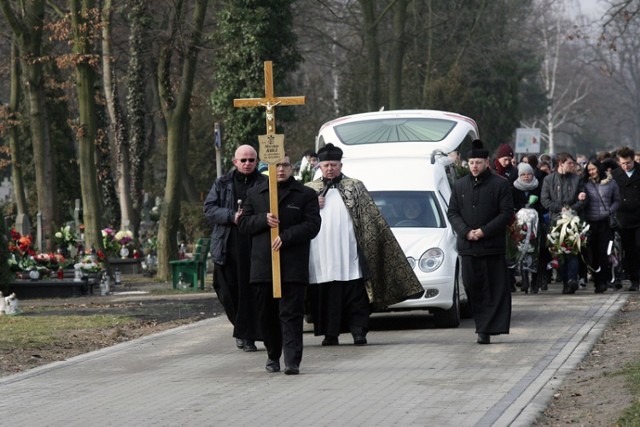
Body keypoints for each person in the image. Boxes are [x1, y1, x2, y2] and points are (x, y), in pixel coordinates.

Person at [306, 143, 422, 346]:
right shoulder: (309, 190)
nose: (330, 169)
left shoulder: (355, 186)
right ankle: (330, 334)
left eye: (334, 164)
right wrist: (312, 205)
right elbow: (298, 217)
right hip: (321, 254)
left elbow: (371, 218)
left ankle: (358, 332)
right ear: (320, 167)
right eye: (326, 165)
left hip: (350, 252)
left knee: (355, 294)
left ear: (340, 165)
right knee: (326, 297)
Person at [237, 155, 321, 375]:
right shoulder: (255, 194)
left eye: (284, 165)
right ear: (267, 168)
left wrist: (287, 236)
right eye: (275, 166)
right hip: (264, 267)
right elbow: (244, 224)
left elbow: (312, 225)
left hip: (292, 266)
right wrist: (262, 220)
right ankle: (273, 355)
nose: (280, 170)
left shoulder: (305, 194)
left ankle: (292, 360)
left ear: (291, 167)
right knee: (267, 314)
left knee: (291, 314)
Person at [447, 139, 514, 344]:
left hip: (491, 247)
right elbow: (453, 212)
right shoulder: (460, 186)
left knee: (493, 289)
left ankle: (485, 329)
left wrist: (484, 231)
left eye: (478, 162)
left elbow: (506, 213)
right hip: (468, 247)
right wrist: (466, 232)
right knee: (471, 286)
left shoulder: (500, 184)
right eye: (471, 163)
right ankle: (482, 325)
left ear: (486, 162)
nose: (474, 166)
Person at [203, 144, 266, 352]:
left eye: (251, 160)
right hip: (228, 246)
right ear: (235, 162)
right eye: (243, 160)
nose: (247, 164)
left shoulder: (264, 183)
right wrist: (231, 216)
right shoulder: (222, 183)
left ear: (257, 161)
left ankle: (248, 334)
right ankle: (241, 328)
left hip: (256, 246)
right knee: (228, 291)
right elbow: (210, 209)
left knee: (253, 293)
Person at [540, 152, 588, 294]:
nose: (572, 166)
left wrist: (572, 209)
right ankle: (565, 281)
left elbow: (583, 199)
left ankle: (572, 279)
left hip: (573, 220)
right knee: (560, 252)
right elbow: (545, 200)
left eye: (573, 163)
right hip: (556, 220)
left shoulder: (577, 179)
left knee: (572, 251)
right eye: (569, 163)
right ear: (560, 163)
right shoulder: (549, 180)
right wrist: (560, 209)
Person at [582, 158, 620, 293]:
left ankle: (603, 281)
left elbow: (617, 200)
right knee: (593, 254)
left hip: (605, 222)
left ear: (599, 168)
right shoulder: (585, 184)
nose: (592, 172)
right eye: (589, 170)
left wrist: (610, 210)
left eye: (594, 169)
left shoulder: (611, 183)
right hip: (590, 223)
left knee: (605, 252)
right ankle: (597, 280)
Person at [511, 162, 545, 293]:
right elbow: (511, 205)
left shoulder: (538, 187)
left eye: (529, 174)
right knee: (522, 251)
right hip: (520, 225)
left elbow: (543, 204)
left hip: (536, 225)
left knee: (535, 252)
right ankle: (525, 281)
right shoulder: (514, 188)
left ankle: (535, 281)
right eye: (523, 174)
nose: (526, 177)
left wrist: (533, 210)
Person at [611, 146, 640, 291]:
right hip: (623, 218)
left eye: (628, 163)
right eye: (622, 163)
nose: (625, 166)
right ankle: (635, 280)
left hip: (638, 216)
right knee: (629, 251)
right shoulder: (616, 175)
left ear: (633, 159)